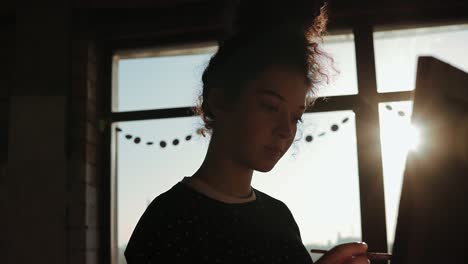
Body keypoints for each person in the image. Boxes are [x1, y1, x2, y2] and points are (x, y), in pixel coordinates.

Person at [124, 0, 370, 263]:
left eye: (296, 116)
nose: (286, 130)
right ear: (219, 101)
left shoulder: (279, 216)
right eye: (269, 107)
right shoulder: (168, 219)